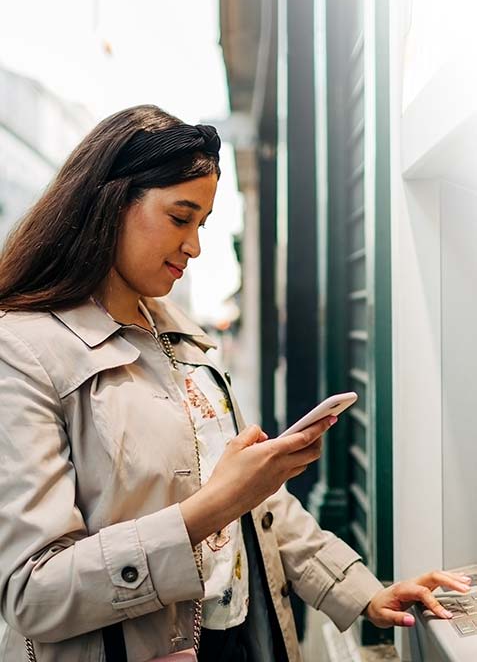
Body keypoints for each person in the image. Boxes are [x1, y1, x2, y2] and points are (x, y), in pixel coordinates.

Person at [0, 104, 469, 662]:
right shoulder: (22, 350)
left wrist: (365, 592)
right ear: (109, 202)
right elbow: (33, 591)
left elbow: (263, 508)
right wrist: (214, 506)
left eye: (202, 224)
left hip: (249, 638)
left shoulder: (184, 339)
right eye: (180, 218)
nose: (194, 247)